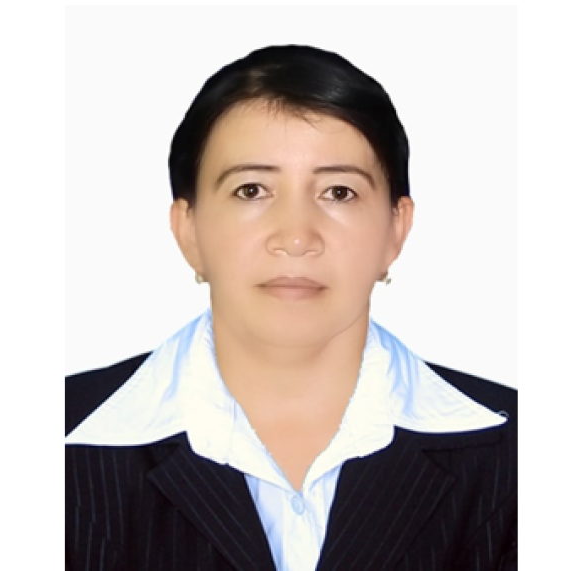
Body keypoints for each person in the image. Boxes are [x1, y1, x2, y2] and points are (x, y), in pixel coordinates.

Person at [66, 44, 517, 571]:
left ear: (396, 228)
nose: (296, 237)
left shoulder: (520, 457)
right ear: (188, 230)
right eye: (251, 190)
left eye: (339, 192)